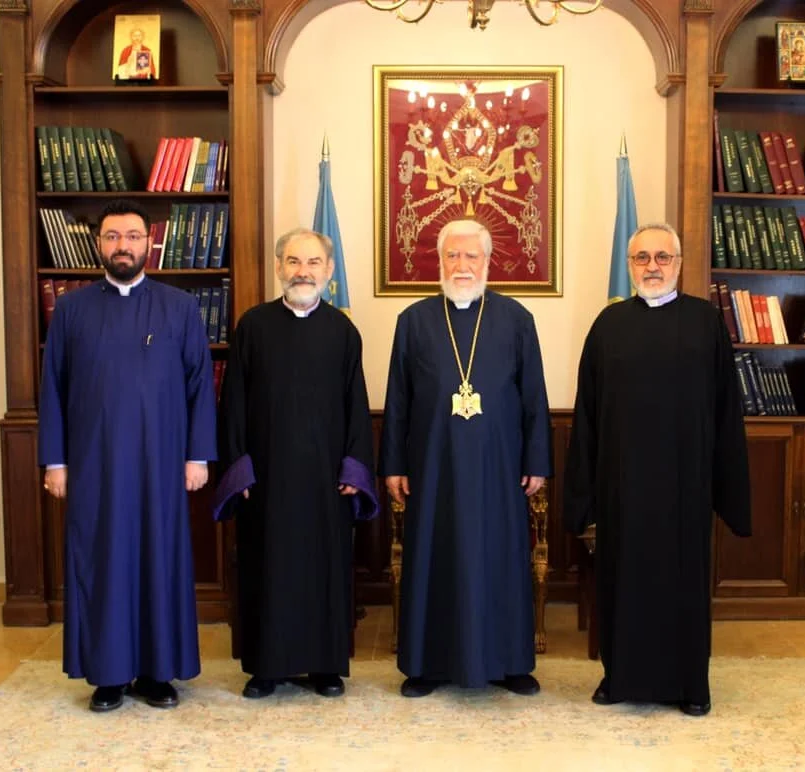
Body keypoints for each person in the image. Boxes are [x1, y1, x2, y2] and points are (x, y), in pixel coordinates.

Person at [564, 222, 751, 717]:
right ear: (629, 265)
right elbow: (587, 412)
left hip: (685, 485)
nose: (652, 266)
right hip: (622, 485)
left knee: (683, 585)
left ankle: (691, 685)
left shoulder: (705, 322)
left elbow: (725, 409)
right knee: (622, 583)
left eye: (662, 257)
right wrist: (582, 495)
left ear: (679, 263)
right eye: (641, 258)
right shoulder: (608, 326)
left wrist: (727, 487)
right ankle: (619, 677)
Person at [38, 199, 216, 712]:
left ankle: (159, 675)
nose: (123, 246)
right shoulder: (72, 309)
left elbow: (200, 386)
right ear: (100, 245)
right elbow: (53, 388)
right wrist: (55, 461)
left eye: (133, 236)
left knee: (160, 559)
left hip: (163, 463)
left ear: (148, 244)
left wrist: (197, 456)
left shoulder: (179, 308)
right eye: (113, 236)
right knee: (103, 561)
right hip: (93, 466)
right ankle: (109, 675)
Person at [379, 219, 552, 698]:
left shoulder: (516, 319)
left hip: (499, 466)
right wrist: (393, 464)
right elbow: (398, 401)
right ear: (439, 261)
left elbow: (534, 397)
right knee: (434, 554)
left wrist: (537, 460)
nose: (461, 265)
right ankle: (426, 664)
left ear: (488, 262)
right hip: (433, 467)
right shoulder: (413, 321)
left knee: (502, 556)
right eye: (452, 256)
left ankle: (510, 661)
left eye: (471, 256)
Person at [214, 228, 378, 700]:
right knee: (266, 566)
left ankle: (325, 665)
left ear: (329, 270)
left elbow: (355, 403)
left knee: (324, 569)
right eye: (293, 261)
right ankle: (266, 667)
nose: (302, 271)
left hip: (326, 481)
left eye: (312, 263)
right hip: (266, 480)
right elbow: (235, 403)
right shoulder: (253, 326)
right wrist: (239, 469)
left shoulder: (343, 331)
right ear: (279, 267)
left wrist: (353, 470)